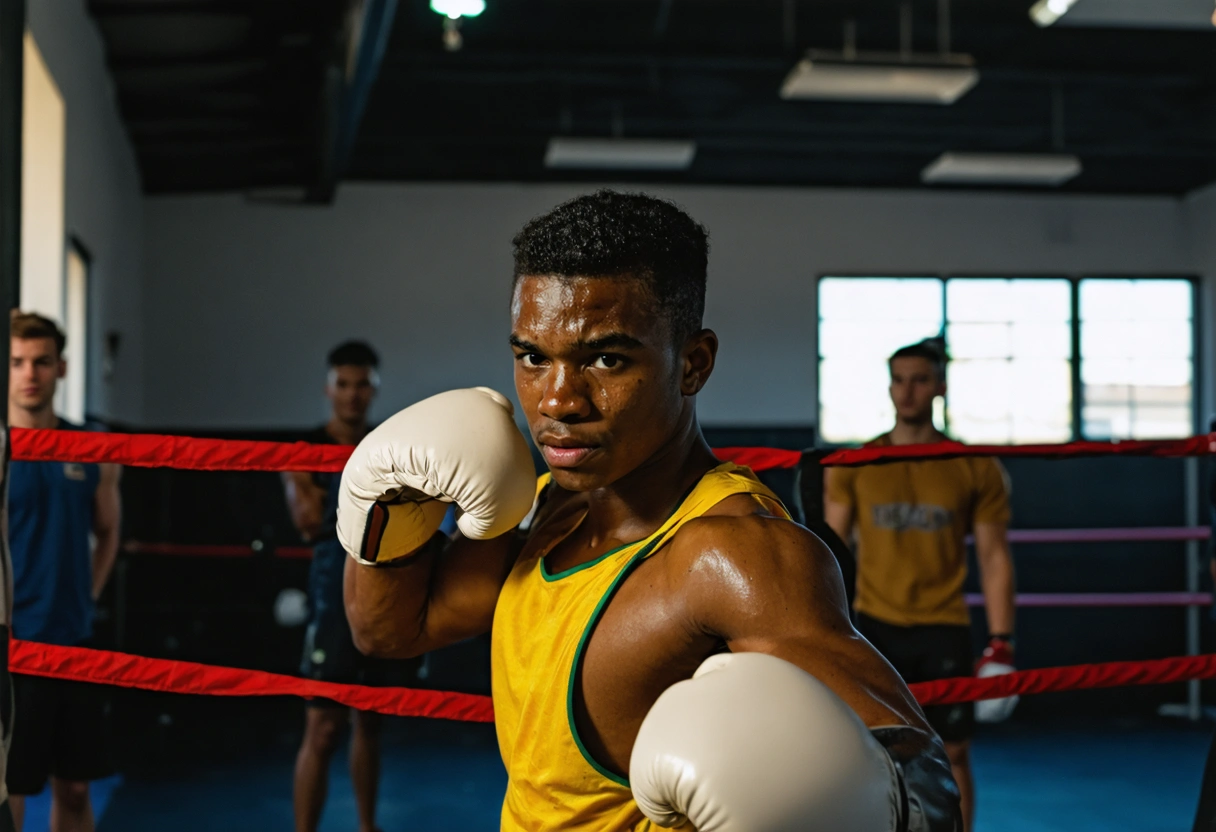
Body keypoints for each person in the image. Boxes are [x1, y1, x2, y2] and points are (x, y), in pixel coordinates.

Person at [339, 190, 961, 831]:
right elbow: (388, 631)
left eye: (606, 359)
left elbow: (925, 794)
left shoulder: (731, 554)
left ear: (693, 364)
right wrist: (397, 504)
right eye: (533, 357)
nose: (559, 401)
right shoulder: (550, 507)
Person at [824, 337, 1017, 832]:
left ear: (940, 386)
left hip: (943, 625)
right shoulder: (856, 463)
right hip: (873, 628)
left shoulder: (973, 466)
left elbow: (995, 556)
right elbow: (830, 551)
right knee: (867, 753)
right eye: (899, 380)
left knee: (953, 753)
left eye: (920, 380)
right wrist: (824, 630)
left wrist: (1001, 643)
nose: (907, 392)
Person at [283, 341, 416, 832]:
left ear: (374, 389)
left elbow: (407, 519)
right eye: (344, 384)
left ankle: (367, 827)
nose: (353, 395)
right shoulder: (304, 451)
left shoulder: (388, 446)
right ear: (328, 388)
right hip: (330, 592)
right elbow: (307, 519)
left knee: (372, 722)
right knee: (322, 727)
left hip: (381, 584)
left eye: (363, 384)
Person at [5, 312, 121, 832]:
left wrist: (88, 596)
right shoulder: (0, 449)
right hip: (11, 643)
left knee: (75, 788)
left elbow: (109, 529)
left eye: (42, 362)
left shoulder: (93, 446)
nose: (30, 374)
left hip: (75, 640)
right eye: (17, 362)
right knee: (11, 791)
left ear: (62, 368)